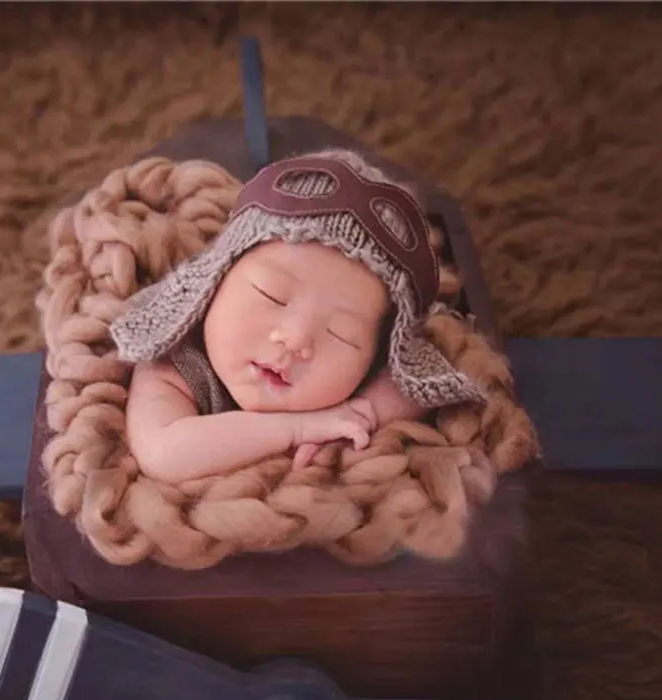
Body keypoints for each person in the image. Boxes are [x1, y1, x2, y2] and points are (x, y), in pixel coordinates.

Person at [109, 148, 485, 483]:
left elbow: (416, 385)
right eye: (271, 295)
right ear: (217, 279)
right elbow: (163, 451)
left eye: (342, 334)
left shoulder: (360, 375)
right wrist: (299, 428)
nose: (296, 339)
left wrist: (358, 413)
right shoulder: (176, 357)